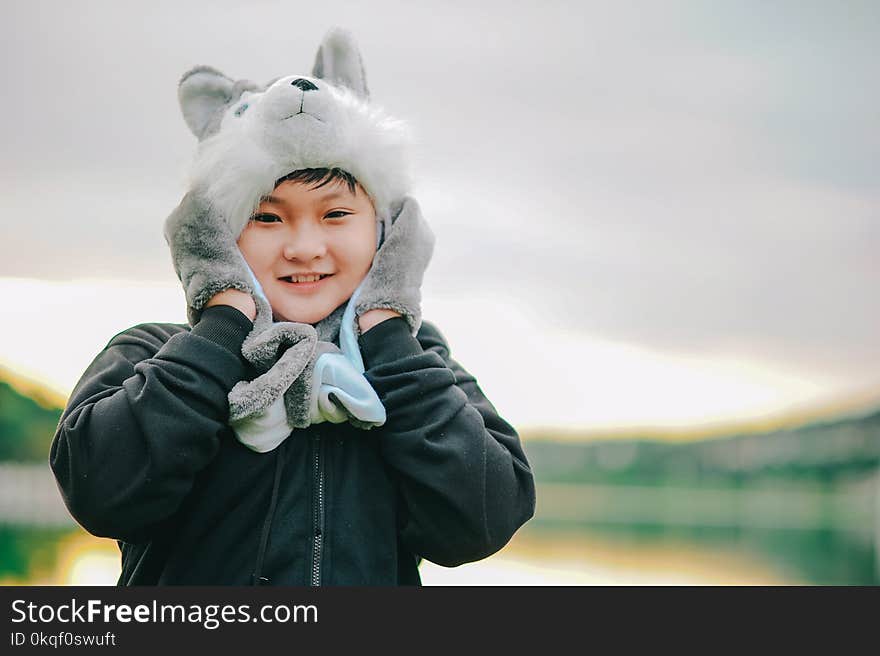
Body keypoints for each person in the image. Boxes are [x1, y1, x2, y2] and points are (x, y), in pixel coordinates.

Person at [49, 29, 535, 585]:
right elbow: (101, 493)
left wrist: (390, 338)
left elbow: (485, 520)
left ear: (384, 233)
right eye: (268, 217)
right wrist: (221, 328)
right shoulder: (151, 355)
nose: (304, 246)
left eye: (335, 216)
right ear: (217, 232)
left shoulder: (418, 364)